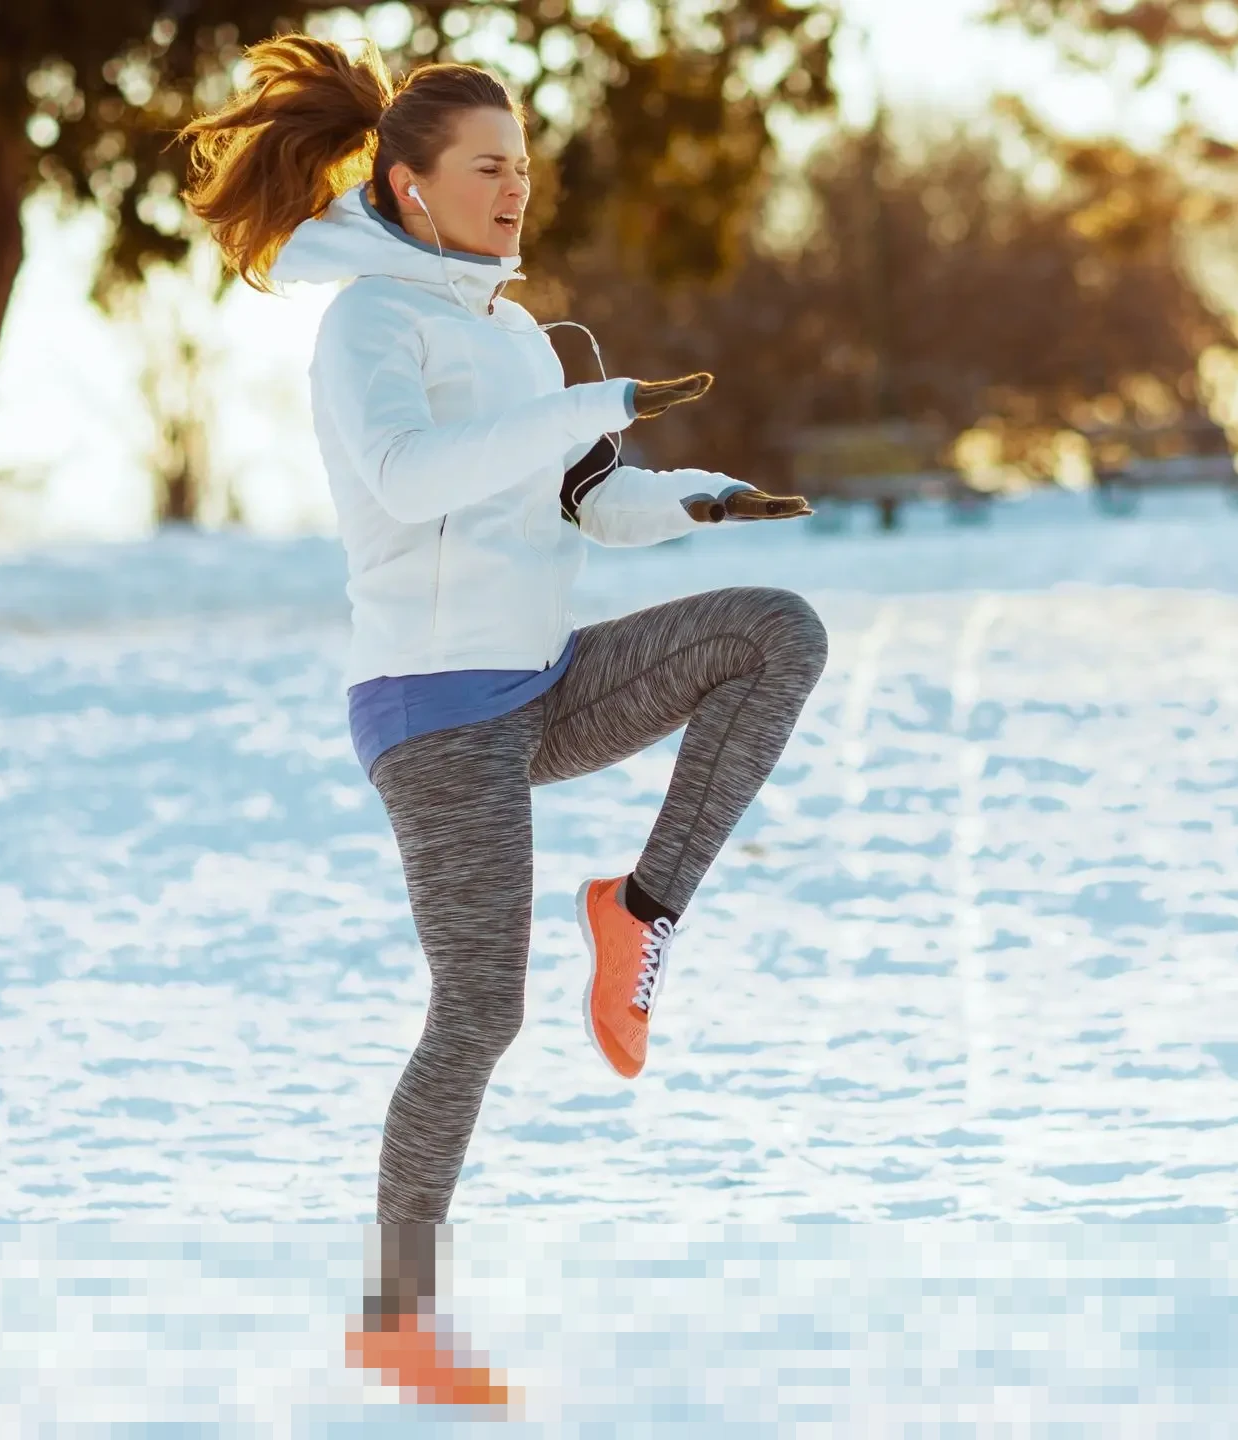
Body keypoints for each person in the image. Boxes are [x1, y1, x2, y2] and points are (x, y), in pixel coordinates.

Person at [179, 35, 828, 1405]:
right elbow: (412, 481)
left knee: (775, 630)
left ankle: (638, 913)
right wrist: (590, 404)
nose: (514, 190)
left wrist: (695, 495)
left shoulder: (520, 335)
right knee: (476, 1013)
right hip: (432, 710)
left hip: (541, 678)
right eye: (487, 169)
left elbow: (588, 501)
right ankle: (394, 1314)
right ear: (408, 187)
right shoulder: (371, 327)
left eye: (523, 168)